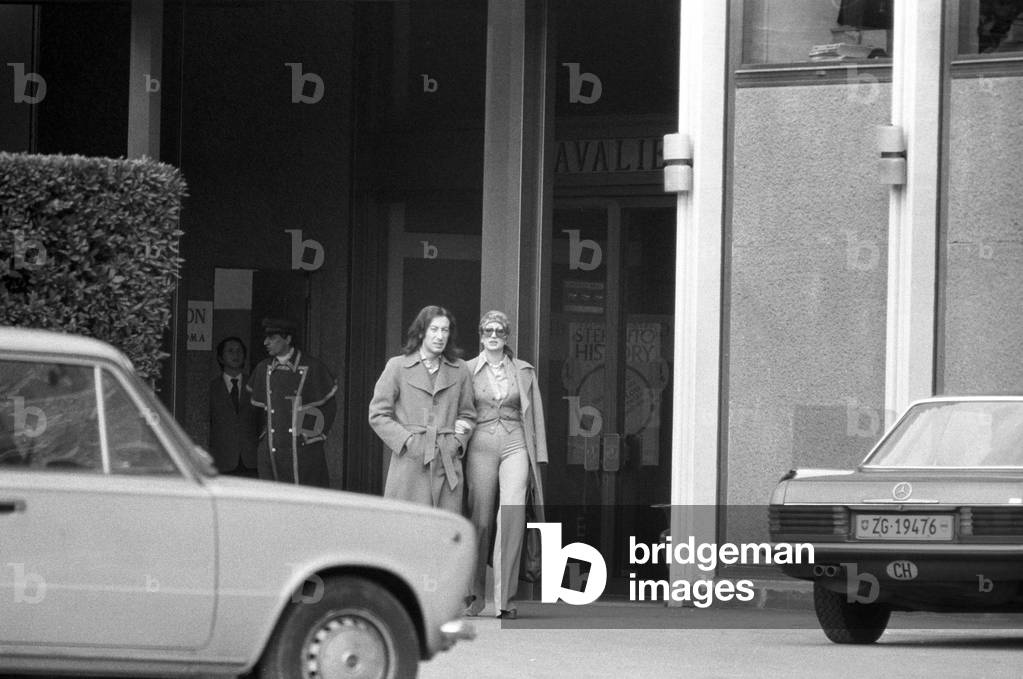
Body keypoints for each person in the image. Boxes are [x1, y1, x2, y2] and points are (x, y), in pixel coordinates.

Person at [463, 310, 547, 619]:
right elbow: (460, 411)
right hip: (480, 444)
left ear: (507, 336)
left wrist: (539, 453)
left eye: (499, 331)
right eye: (488, 331)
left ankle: (505, 599)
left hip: (516, 443)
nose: (494, 335)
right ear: (481, 335)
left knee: (511, 514)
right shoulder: (467, 370)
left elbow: (534, 414)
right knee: (480, 518)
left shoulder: (524, 371)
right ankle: (474, 595)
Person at [368, 305, 475, 512]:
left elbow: (468, 415)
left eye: (445, 330)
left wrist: (456, 443)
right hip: (410, 461)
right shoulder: (397, 366)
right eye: (434, 329)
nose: (440, 336)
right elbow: (378, 414)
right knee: (407, 526)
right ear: (421, 332)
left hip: (446, 460)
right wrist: (408, 441)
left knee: (443, 528)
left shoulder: (460, 369)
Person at [249, 317, 338, 487]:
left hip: (303, 452)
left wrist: (306, 436)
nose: (266, 342)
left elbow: (328, 408)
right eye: (266, 337)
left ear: (288, 339)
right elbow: (254, 413)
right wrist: (263, 440)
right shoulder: (262, 368)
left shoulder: (312, 367)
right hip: (271, 451)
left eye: (272, 338)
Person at [208, 336, 260, 476]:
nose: (235, 355)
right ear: (220, 358)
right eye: (230, 351)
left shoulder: (255, 385)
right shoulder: (211, 388)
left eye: (239, 351)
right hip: (222, 459)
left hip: (251, 460)